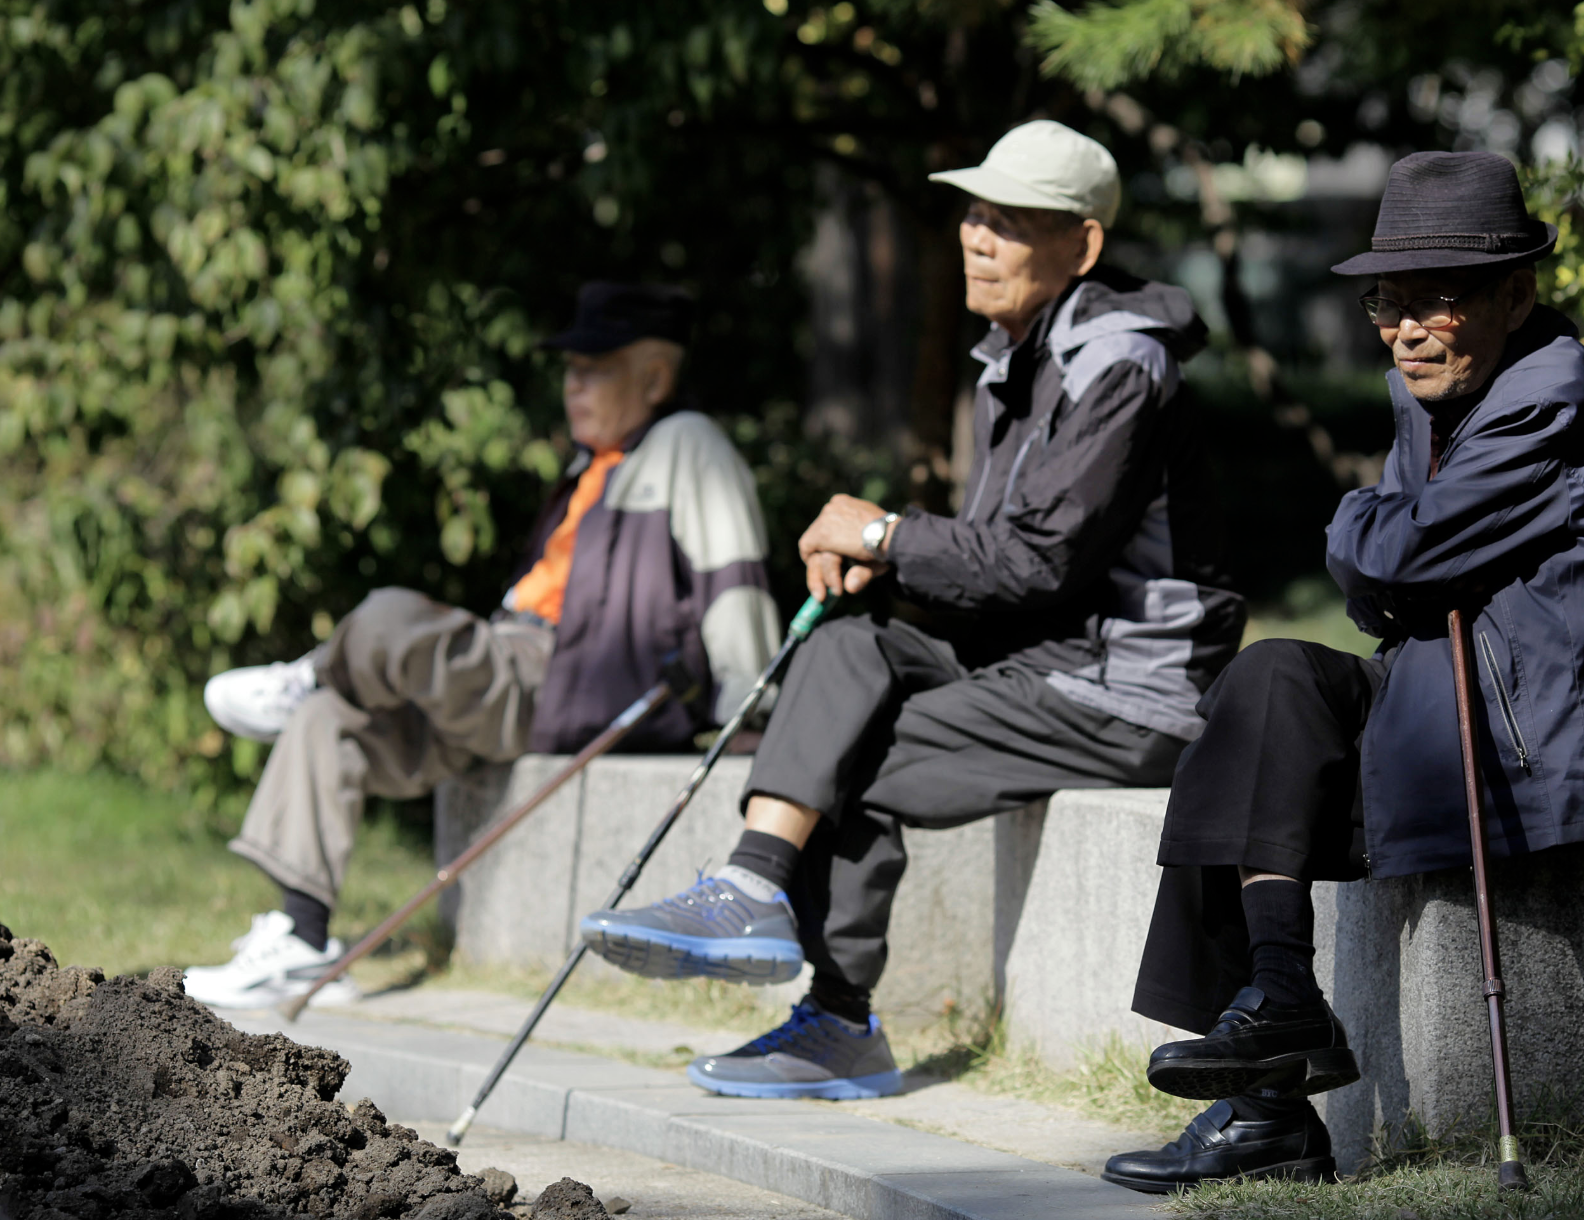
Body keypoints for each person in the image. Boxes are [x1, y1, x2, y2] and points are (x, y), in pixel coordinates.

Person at [580, 119, 1247, 1100]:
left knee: (841, 752)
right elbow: (1002, 571)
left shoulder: (1118, 365)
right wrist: (882, 571)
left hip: (1131, 688)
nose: (977, 236)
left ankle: (837, 1016)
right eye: (975, 213)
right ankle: (753, 883)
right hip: (1044, 658)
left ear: (1082, 245)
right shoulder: (1018, 355)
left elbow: (1037, 563)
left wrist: (886, 534)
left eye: (1011, 221)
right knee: (849, 645)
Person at [1100, 151, 1584, 1193]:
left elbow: (1389, 559)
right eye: (1386, 302)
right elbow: (1387, 590)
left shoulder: (1549, 396)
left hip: (1529, 750)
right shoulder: (1438, 393)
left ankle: (1264, 1097)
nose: (1404, 329)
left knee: (1266, 759)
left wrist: (1367, 526)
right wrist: (1391, 549)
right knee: (1265, 683)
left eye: (1434, 300)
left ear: (1514, 295)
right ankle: (1277, 1031)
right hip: (1436, 700)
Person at [185, 283, 781, 1009]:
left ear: (655, 378)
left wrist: (750, 705)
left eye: (595, 369)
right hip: (512, 667)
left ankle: (314, 674)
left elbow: (732, 577)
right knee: (327, 722)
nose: (573, 385)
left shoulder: (687, 444)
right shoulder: (592, 465)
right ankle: (301, 941)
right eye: (570, 370)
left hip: (568, 679)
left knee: (389, 617)